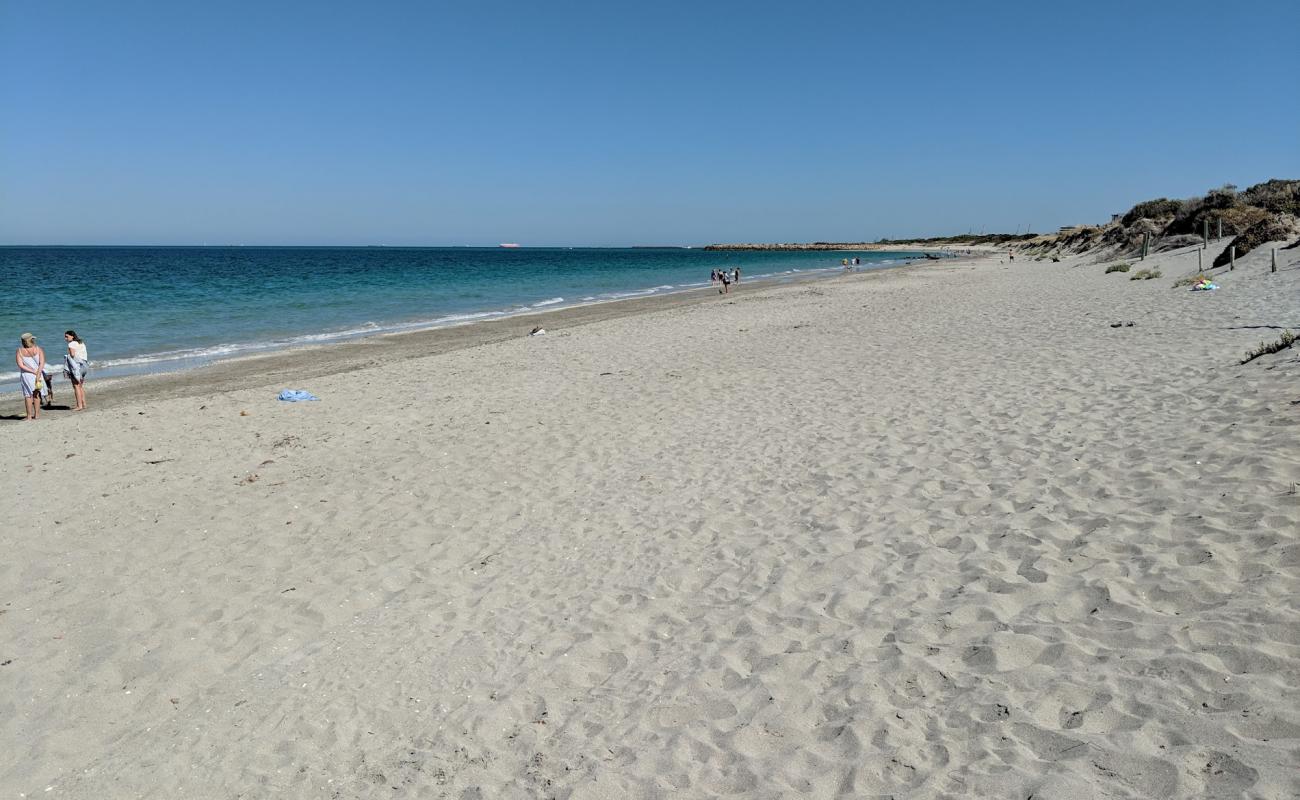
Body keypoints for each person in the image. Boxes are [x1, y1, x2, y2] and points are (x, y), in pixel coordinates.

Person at [15, 333, 46, 421]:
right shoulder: (38, 349)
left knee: (28, 395)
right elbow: (42, 363)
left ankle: (29, 416)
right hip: (38, 374)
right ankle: (36, 415)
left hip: (26, 375)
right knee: (36, 394)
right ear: (31, 340)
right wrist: (38, 373)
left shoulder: (19, 351)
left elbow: (21, 365)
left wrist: (32, 371)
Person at [64, 330, 89, 411]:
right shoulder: (81, 342)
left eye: (67, 336)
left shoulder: (71, 344)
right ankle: (84, 404)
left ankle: (79, 406)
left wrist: (67, 357)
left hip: (77, 366)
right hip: (85, 365)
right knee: (80, 385)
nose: (65, 338)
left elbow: (72, 355)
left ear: (72, 336)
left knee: (76, 386)